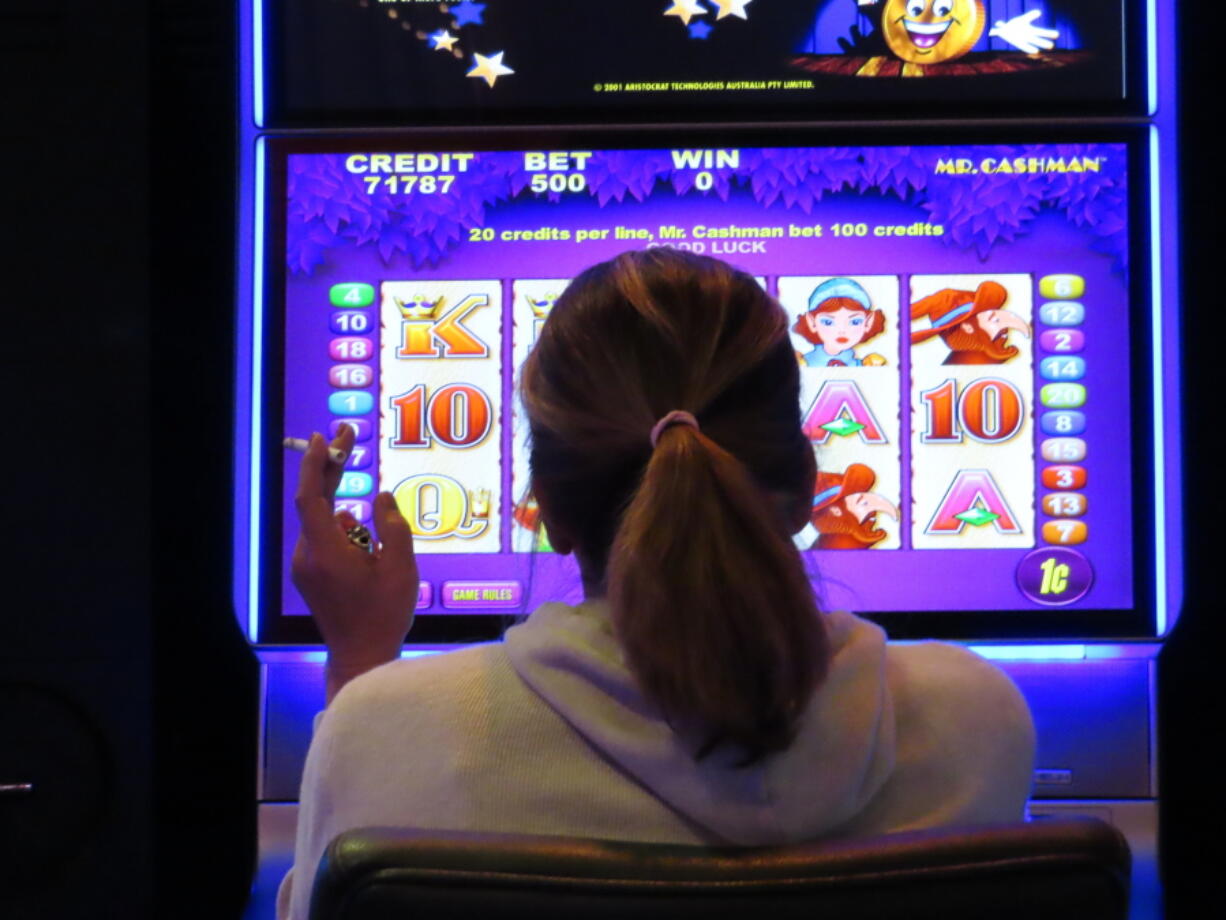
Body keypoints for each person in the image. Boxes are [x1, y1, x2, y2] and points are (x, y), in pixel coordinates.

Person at [278, 249, 1035, 920]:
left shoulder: (387, 728)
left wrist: (359, 659)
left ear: (547, 508)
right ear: (807, 487)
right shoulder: (973, 718)